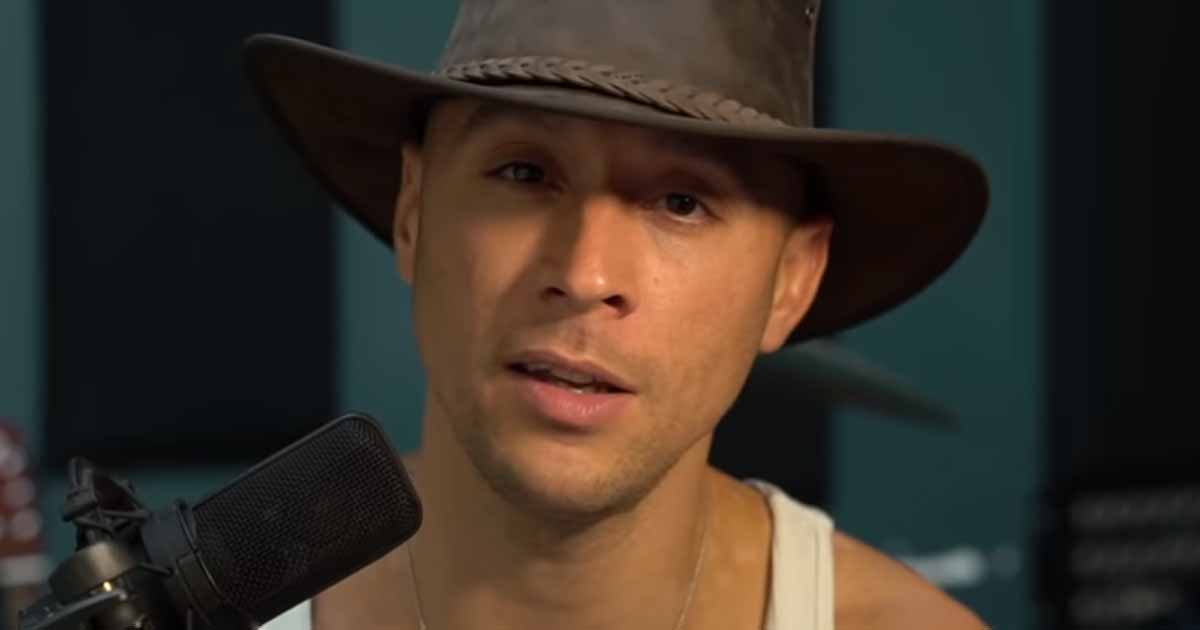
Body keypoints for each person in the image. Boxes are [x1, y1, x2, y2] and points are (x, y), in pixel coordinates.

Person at [246, 1, 989, 628]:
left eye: (682, 202)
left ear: (791, 282)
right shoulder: (223, 602)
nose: (585, 274)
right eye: (525, 172)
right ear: (414, 210)